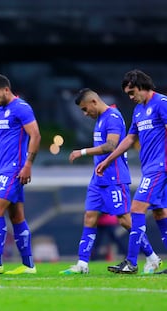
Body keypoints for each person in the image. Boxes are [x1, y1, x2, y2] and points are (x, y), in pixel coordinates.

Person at [59, 88, 161, 275]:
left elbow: (110, 146)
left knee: (126, 220)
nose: (84, 113)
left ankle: (152, 257)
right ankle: (82, 264)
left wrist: (82, 152)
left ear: (94, 102)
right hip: (98, 178)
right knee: (90, 217)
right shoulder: (99, 120)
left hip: (114, 177)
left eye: (84, 109)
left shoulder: (112, 117)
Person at [96, 70, 167, 274]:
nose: (130, 96)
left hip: (160, 167)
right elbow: (129, 139)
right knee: (160, 212)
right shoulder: (138, 110)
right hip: (150, 168)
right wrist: (109, 159)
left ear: (143, 87)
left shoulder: (161, 103)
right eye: (127, 93)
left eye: (132, 91)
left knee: (136, 209)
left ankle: (131, 262)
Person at [0, 74, 40, 275]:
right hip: (3, 169)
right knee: (16, 216)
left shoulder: (21, 108)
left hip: (15, 168)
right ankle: (28, 264)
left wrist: (28, 165)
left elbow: (35, 135)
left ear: (6, 89)